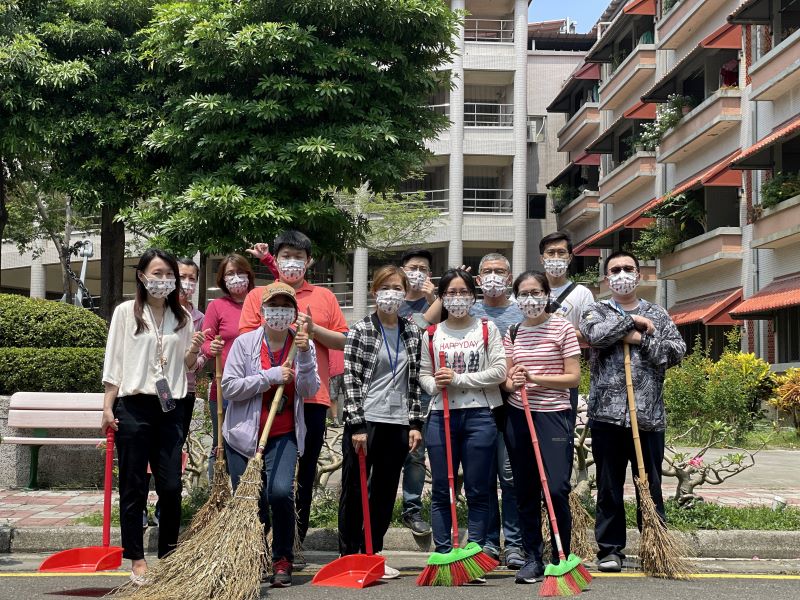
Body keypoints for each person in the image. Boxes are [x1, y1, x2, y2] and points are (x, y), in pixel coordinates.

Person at [101, 249, 208, 584]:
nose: (164, 280)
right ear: (142, 276)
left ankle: (169, 555)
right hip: (133, 406)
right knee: (133, 484)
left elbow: (188, 367)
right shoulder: (124, 313)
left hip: (171, 407)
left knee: (172, 486)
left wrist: (194, 351)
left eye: (169, 275)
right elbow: (114, 361)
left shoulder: (184, 318)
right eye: (157, 273)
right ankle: (136, 557)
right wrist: (107, 405)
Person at [239, 230, 348, 555]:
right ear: (276, 258)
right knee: (261, 472)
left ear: (309, 261)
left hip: (312, 398)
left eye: (298, 257)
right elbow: (247, 338)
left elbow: (343, 340)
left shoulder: (325, 297)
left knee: (305, 470)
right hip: (266, 399)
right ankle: (261, 537)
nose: (292, 262)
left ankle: (293, 542)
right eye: (285, 256)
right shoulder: (259, 297)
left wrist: (313, 330)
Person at [579, 250, 686, 573]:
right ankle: (610, 550)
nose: (622, 274)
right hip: (607, 418)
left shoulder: (658, 313)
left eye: (628, 269)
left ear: (639, 276)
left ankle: (654, 545)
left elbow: (675, 352)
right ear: (607, 278)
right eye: (616, 270)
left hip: (648, 417)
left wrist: (638, 337)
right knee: (609, 487)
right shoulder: (595, 310)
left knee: (649, 486)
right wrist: (632, 322)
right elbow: (595, 336)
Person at [222, 282, 319, 588]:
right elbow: (229, 388)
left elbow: (309, 389)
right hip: (243, 436)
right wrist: (270, 377)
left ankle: (282, 557)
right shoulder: (244, 344)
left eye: (285, 307)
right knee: (253, 500)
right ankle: (256, 555)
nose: (279, 312)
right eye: (273, 307)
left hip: (284, 433)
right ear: (263, 311)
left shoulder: (302, 344)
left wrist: (303, 357)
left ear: (294, 313)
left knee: (279, 492)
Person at [419, 269, 507, 583]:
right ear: (441, 297)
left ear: (473, 295)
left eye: (463, 292)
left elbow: (499, 371)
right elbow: (424, 374)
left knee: (479, 488)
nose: (457, 298)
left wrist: (459, 379)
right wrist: (435, 384)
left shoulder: (487, 328)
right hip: (440, 416)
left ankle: (474, 554)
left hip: (481, 415)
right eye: (451, 293)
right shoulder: (431, 333)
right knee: (443, 489)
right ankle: (444, 555)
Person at [340, 265, 424, 579]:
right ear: (375, 291)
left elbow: (414, 381)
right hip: (366, 421)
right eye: (385, 287)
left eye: (398, 288)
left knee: (386, 490)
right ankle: (349, 553)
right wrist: (358, 426)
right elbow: (350, 380)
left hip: (398, 421)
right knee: (354, 489)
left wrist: (415, 423)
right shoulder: (361, 329)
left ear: (405, 293)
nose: (391, 294)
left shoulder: (412, 331)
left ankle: (372, 552)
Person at [501, 271, 581, 584]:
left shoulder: (561, 326)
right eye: (523, 294)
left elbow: (573, 377)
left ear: (547, 294)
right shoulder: (513, 331)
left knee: (557, 487)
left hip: (553, 416)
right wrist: (513, 382)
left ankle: (561, 555)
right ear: (516, 298)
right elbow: (507, 380)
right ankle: (532, 558)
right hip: (519, 416)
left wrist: (535, 378)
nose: (530, 299)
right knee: (525, 490)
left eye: (536, 292)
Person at [466, 252, 526, 569]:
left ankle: (514, 544)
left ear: (509, 276)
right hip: (478, 405)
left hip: (514, 406)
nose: (493, 276)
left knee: (510, 476)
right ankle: (488, 542)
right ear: (477, 279)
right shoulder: (468, 311)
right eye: (487, 271)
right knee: (484, 477)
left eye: (499, 271)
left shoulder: (520, 311)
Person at [200, 254, 255, 479]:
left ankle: (251, 497)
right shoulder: (217, 306)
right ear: (222, 279)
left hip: (255, 385)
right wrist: (209, 348)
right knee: (220, 441)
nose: (235, 278)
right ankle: (219, 498)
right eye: (230, 274)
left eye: (239, 272)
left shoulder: (259, 302)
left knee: (254, 440)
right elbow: (204, 340)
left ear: (249, 275)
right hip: (224, 386)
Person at [538, 232, 595, 436]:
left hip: (565, 377)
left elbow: (591, 335)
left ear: (570, 257)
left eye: (561, 252)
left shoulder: (583, 293)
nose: (555, 257)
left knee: (561, 437)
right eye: (550, 252)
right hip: (531, 374)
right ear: (541, 258)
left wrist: (559, 334)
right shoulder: (528, 289)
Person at [397, 248, 436, 536]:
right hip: (391, 387)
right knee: (383, 452)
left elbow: (441, 326)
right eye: (412, 267)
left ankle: (411, 510)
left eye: (423, 268)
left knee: (415, 452)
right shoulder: (392, 300)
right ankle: (379, 508)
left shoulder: (435, 304)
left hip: (421, 387)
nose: (417, 272)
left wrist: (435, 297)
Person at [328, 349, 345, 427]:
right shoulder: (327, 341)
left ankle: (348, 417)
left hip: (346, 370)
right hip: (332, 372)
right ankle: (335, 420)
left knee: (350, 396)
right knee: (333, 397)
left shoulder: (344, 337)